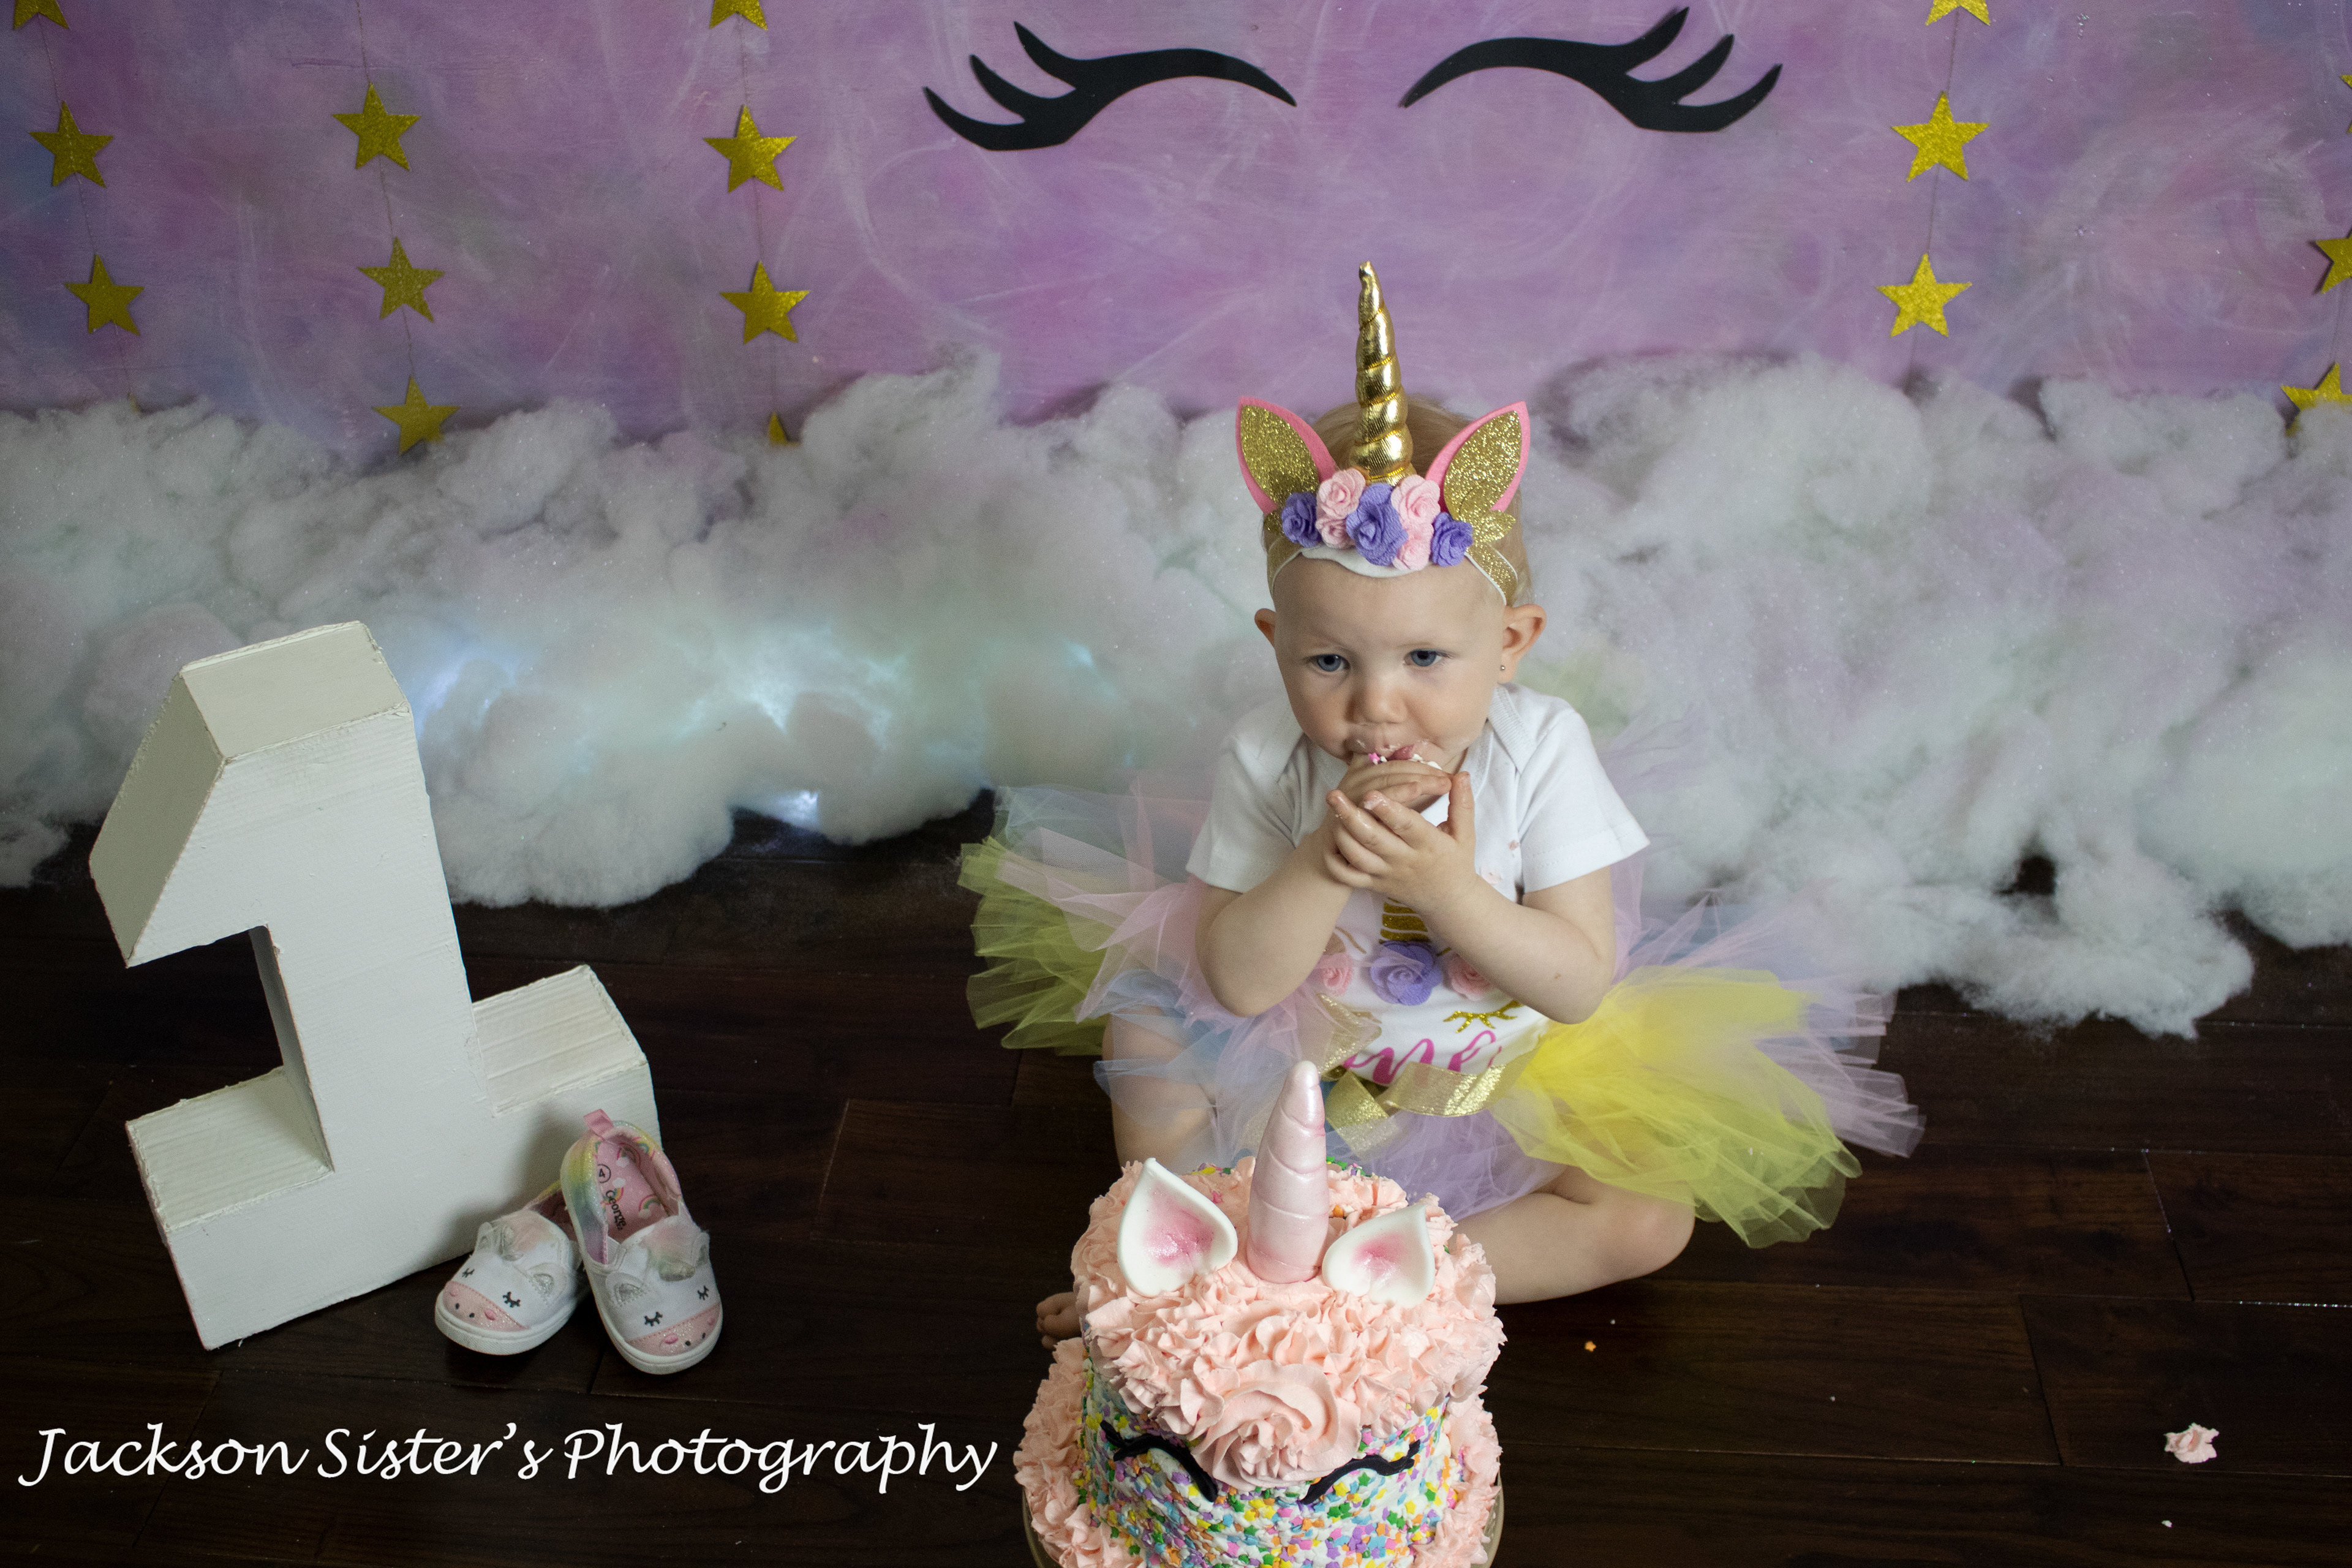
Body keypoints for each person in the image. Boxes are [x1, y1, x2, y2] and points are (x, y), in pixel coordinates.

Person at [962, 264, 1921, 1340]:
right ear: (1277, 644)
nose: (1377, 704)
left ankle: (1361, 1286)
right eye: (1329, 661)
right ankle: (1176, 1266)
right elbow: (1235, 980)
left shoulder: (1542, 749)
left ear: (1510, 644)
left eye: (1425, 657)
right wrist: (1320, 863)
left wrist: (1448, 889)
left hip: (1500, 1077)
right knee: (1150, 1038)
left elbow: (1575, 983)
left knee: (1644, 1223)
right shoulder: (1270, 756)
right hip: (1299, 1065)